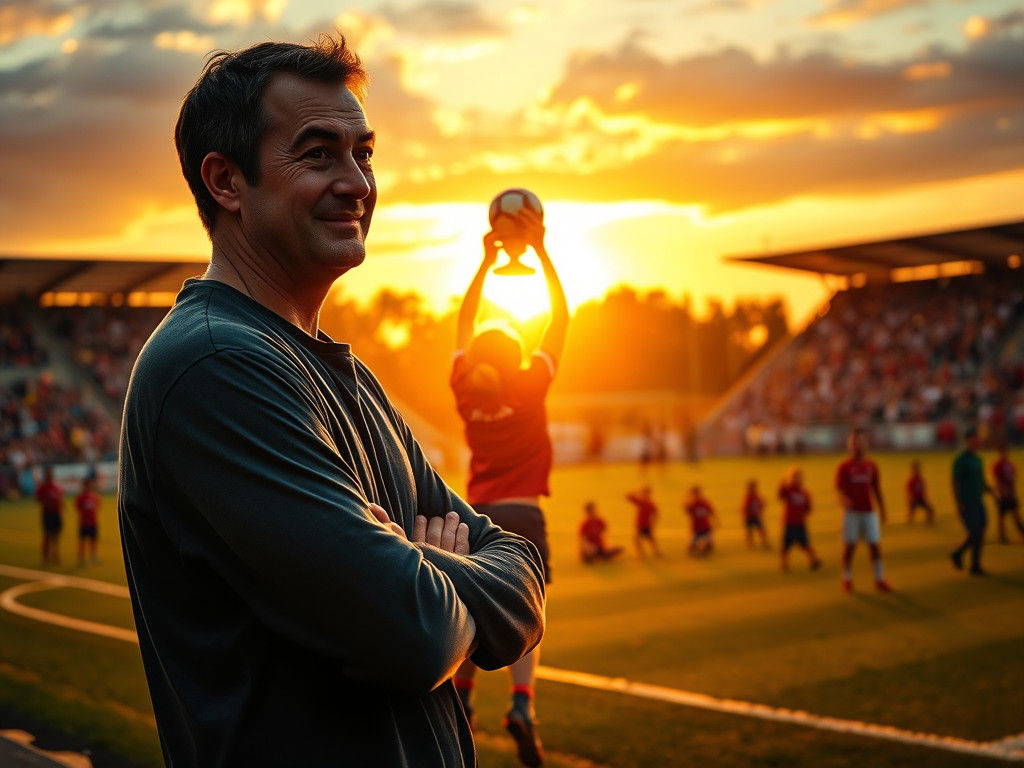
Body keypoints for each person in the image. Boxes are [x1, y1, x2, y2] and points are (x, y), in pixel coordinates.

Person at [118, 38, 546, 768]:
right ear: (226, 181)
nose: (357, 183)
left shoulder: (343, 372)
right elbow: (413, 632)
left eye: (364, 154)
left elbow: (524, 570)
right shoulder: (216, 367)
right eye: (319, 154)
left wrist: (424, 569)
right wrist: (433, 575)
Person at [448, 188, 568, 767]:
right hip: (524, 514)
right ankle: (522, 703)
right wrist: (539, 254)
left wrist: (484, 262)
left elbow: (464, 322)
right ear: (518, 356)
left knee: (473, 613)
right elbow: (563, 318)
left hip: (477, 519)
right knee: (528, 618)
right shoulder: (529, 385)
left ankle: (462, 700)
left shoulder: (467, 390)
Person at [835, 428, 891, 593]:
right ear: (849, 445)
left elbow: (877, 489)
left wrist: (882, 509)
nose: (857, 444)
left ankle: (879, 579)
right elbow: (838, 489)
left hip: (868, 512)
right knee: (850, 546)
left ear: (865, 444)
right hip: (852, 513)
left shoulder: (871, 466)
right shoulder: (844, 467)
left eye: (860, 441)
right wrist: (843, 499)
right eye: (854, 442)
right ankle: (847, 578)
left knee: (874, 545)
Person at [951, 427, 995, 574]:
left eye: (978, 439)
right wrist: (958, 503)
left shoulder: (978, 459)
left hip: (978, 501)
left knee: (980, 532)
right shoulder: (961, 459)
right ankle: (960, 554)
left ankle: (973, 564)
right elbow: (955, 482)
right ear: (968, 441)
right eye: (975, 439)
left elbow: (981, 481)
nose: (978, 441)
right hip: (967, 502)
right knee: (975, 533)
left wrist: (992, 492)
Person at [778, 469, 822, 572]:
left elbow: (808, 507)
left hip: (800, 523)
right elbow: (781, 495)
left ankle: (813, 561)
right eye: (794, 477)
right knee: (786, 545)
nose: (796, 479)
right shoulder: (788, 490)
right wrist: (783, 483)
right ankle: (784, 563)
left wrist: (805, 512)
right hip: (789, 522)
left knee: (806, 544)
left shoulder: (805, 493)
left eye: (798, 477)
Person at [992, 443, 1024, 544]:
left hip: (1011, 494)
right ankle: (1002, 537)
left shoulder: (1010, 464)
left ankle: (1021, 534)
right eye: (1003, 451)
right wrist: (1002, 490)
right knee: (1001, 517)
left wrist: (1012, 490)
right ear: (1000, 452)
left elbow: (1013, 477)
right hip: (1003, 495)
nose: (1005, 453)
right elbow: (997, 479)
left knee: (1016, 516)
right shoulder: (998, 465)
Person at [35, 466, 63, 566]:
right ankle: (45, 558)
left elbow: (60, 499)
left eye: (51, 475)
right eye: (48, 475)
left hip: (57, 514)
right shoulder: (43, 488)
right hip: (47, 514)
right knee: (47, 536)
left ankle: (55, 555)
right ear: (46, 476)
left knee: (56, 536)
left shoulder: (56, 487)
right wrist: (46, 503)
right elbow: (38, 499)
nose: (50, 476)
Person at [626, 486, 661, 558]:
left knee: (649, 539)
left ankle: (655, 551)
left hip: (646, 525)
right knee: (637, 539)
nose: (644, 495)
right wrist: (637, 492)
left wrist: (653, 525)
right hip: (640, 524)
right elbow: (628, 496)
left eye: (646, 494)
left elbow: (655, 514)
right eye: (643, 493)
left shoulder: (650, 504)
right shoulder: (641, 501)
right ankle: (641, 552)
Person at [75, 476, 100, 567]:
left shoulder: (94, 496)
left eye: (90, 485)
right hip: (84, 523)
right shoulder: (81, 497)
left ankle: (93, 555)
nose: (89, 487)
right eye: (87, 485)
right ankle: (81, 557)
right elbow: (78, 508)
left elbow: (98, 506)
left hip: (93, 522)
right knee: (82, 541)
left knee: (93, 540)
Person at [684, 485, 716, 556]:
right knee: (691, 547)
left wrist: (715, 522)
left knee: (708, 547)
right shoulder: (692, 504)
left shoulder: (705, 502)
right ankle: (699, 545)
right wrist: (687, 498)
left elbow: (712, 512)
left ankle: (705, 545)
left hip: (706, 528)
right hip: (696, 529)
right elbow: (686, 509)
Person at [741, 479, 769, 550]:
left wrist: (761, 508)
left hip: (756, 516)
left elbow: (762, 504)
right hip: (749, 517)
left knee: (761, 529)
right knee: (750, 531)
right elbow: (744, 508)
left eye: (754, 487)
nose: (753, 489)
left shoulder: (757, 496)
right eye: (751, 487)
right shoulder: (747, 498)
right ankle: (750, 544)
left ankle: (764, 542)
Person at [905, 460, 934, 525]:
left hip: (921, 499)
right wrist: (909, 499)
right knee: (911, 514)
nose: (917, 471)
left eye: (918, 469)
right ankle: (909, 523)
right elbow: (908, 491)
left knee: (930, 510)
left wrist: (925, 497)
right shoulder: (911, 480)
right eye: (915, 469)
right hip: (914, 499)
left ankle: (928, 522)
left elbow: (923, 489)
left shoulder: (921, 479)